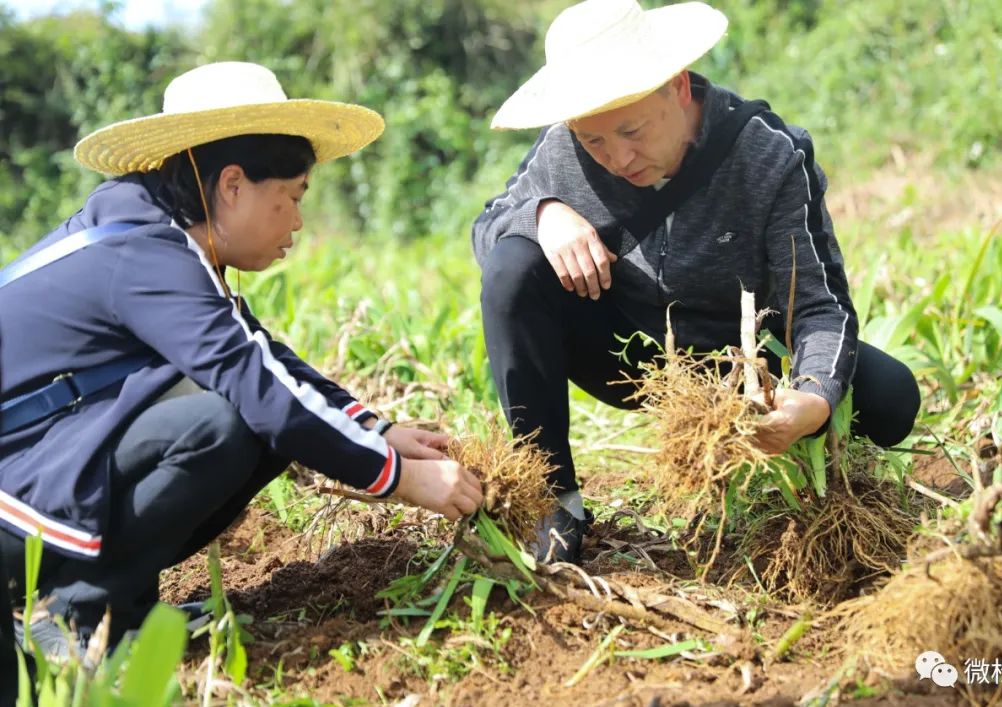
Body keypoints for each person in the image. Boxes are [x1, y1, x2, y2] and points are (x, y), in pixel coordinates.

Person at [0, 61, 483, 658]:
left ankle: (117, 606)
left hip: (35, 467)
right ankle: (73, 615)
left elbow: (260, 358)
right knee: (225, 422)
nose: (300, 221)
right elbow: (257, 386)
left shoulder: (158, 235)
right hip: (12, 491)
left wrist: (377, 431)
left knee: (253, 417)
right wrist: (401, 478)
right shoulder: (143, 253)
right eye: (292, 196)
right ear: (233, 185)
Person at [472, 0, 920, 562]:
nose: (617, 157)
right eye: (595, 142)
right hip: (624, 353)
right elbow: (488, 224)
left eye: (631, 130)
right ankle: (551, 500)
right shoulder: (563, 149)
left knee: (890, 397)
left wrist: (811, 397)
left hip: (742, 364)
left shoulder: (767, 155)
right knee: (512, 266)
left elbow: (818, 306)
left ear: (678, 87)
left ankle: (820, 476)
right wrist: (541, 214)